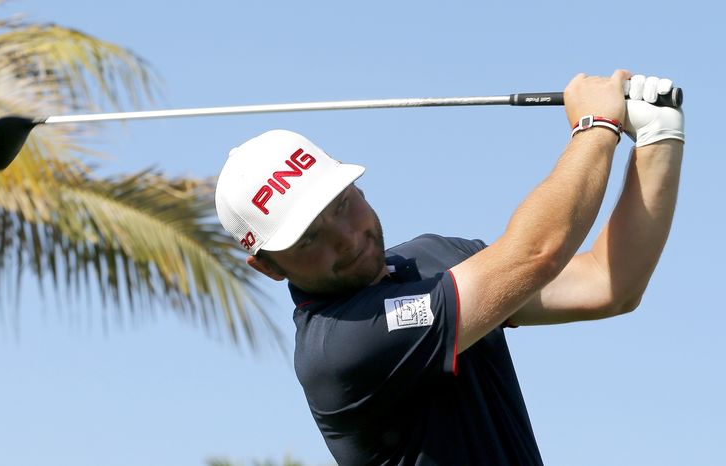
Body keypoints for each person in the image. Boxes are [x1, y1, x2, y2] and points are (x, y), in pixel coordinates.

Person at [214, 70, 684, 465]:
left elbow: (608, 283)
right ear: (269, 268)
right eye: (310, 237)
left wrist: (658, 137)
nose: (346, 236)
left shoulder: (434, 258)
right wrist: (596, 125)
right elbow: (536, 253)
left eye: (340, 206)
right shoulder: (339, 346)